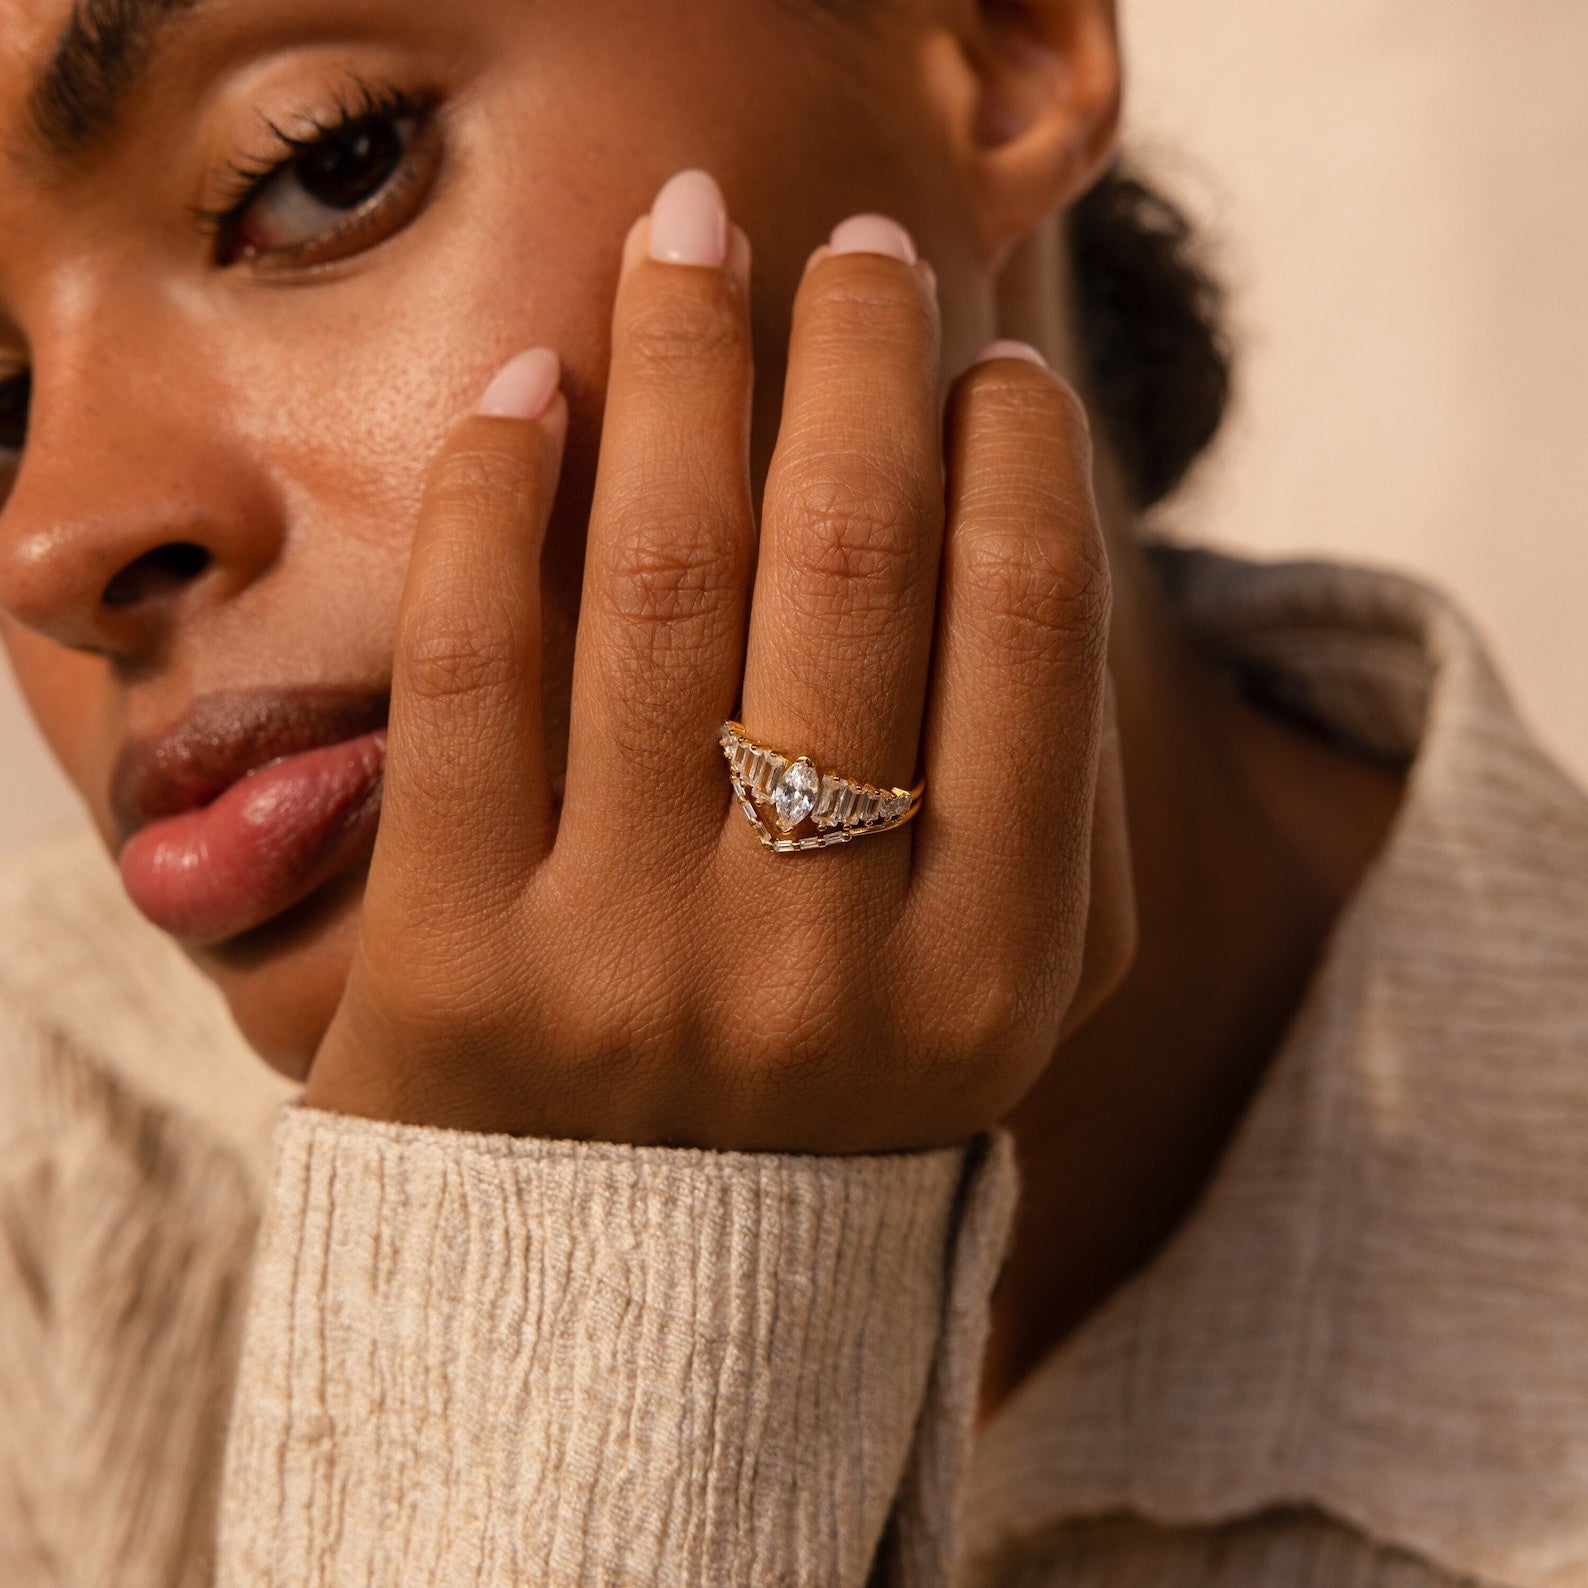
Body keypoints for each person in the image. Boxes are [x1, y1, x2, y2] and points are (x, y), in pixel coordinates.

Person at [0, 0, 1584, 1583]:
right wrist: (613, 1294)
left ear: (1004, 48)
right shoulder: (45, 1163)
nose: (53, 540)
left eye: (323, 167)